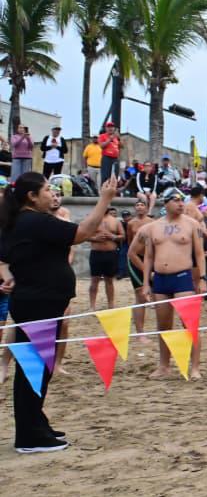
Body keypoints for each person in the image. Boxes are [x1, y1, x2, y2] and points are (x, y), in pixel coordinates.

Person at [0, 173, 118, 452]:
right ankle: (29, 437)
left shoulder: (18, 221)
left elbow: (3, 256)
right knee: (34, 369)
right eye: (46, 189)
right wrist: (104, 200)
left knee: (38, 368)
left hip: (36, 301)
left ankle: (36, 425)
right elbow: (82, 233)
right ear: (32, 196)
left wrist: (6, 273)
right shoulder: (34, 221)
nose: (50, 193)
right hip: (37, 302)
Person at [141, 189, 205, 379]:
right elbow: (148, 256)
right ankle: (164, 366)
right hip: (160, 279)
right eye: (175, 200)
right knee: (163, 325)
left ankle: (194, 367)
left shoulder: (192, 224)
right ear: (165, 203)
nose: (180, 203)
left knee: (190, 323)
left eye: (181, 200)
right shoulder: (153, 227)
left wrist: (202, 278)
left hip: (182, 277)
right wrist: (146, 283)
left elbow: (200, 254)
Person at [87, 205, 125, 310]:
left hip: (111, 253)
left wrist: (113, 237)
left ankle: (111, 304)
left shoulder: (115, 221)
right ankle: (92, 305)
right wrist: (95, 238)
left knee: (109, 280)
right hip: (96, 253)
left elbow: (123, 236)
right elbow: (84, 235)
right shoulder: (92, 219)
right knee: (94, 279)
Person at [126, 196, 154, 333]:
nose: (139, 207)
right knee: (139, 294)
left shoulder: (152, 222)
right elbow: (130, 242)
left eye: (142, 205)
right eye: (137, 205)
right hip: (135, 258)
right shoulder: (131, 223)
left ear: (147, 207)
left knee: (158, 292)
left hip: (150, 257)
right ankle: (140, 331)